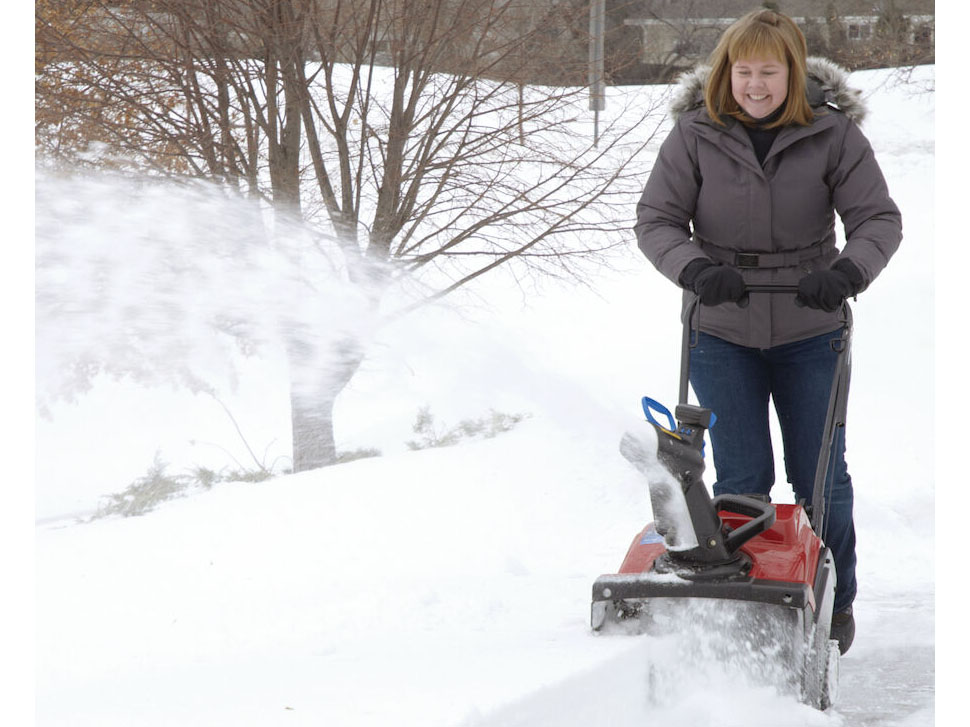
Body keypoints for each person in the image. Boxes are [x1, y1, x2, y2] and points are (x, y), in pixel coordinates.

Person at [634, 8, 901, 655]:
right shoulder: (695, 136)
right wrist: (695, 267)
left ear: (793, 75)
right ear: (728, 74)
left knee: (820, 480)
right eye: (744, 71)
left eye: (770, 72)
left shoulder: (833, 136)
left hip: (813, 328)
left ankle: (833, 603)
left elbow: (877, 221)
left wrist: (844, 271)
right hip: (721, 329)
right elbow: (656, 221)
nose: (756, 85)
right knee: (739, 480)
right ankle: (752, 613)